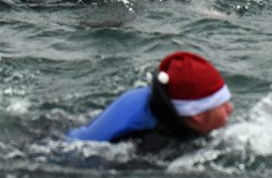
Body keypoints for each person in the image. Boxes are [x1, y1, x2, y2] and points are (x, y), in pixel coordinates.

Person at [66, 51, 233, 153]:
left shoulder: (162, 97)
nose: (230, 109)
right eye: (222, 104)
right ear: (196, 114)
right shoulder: (154, 143)